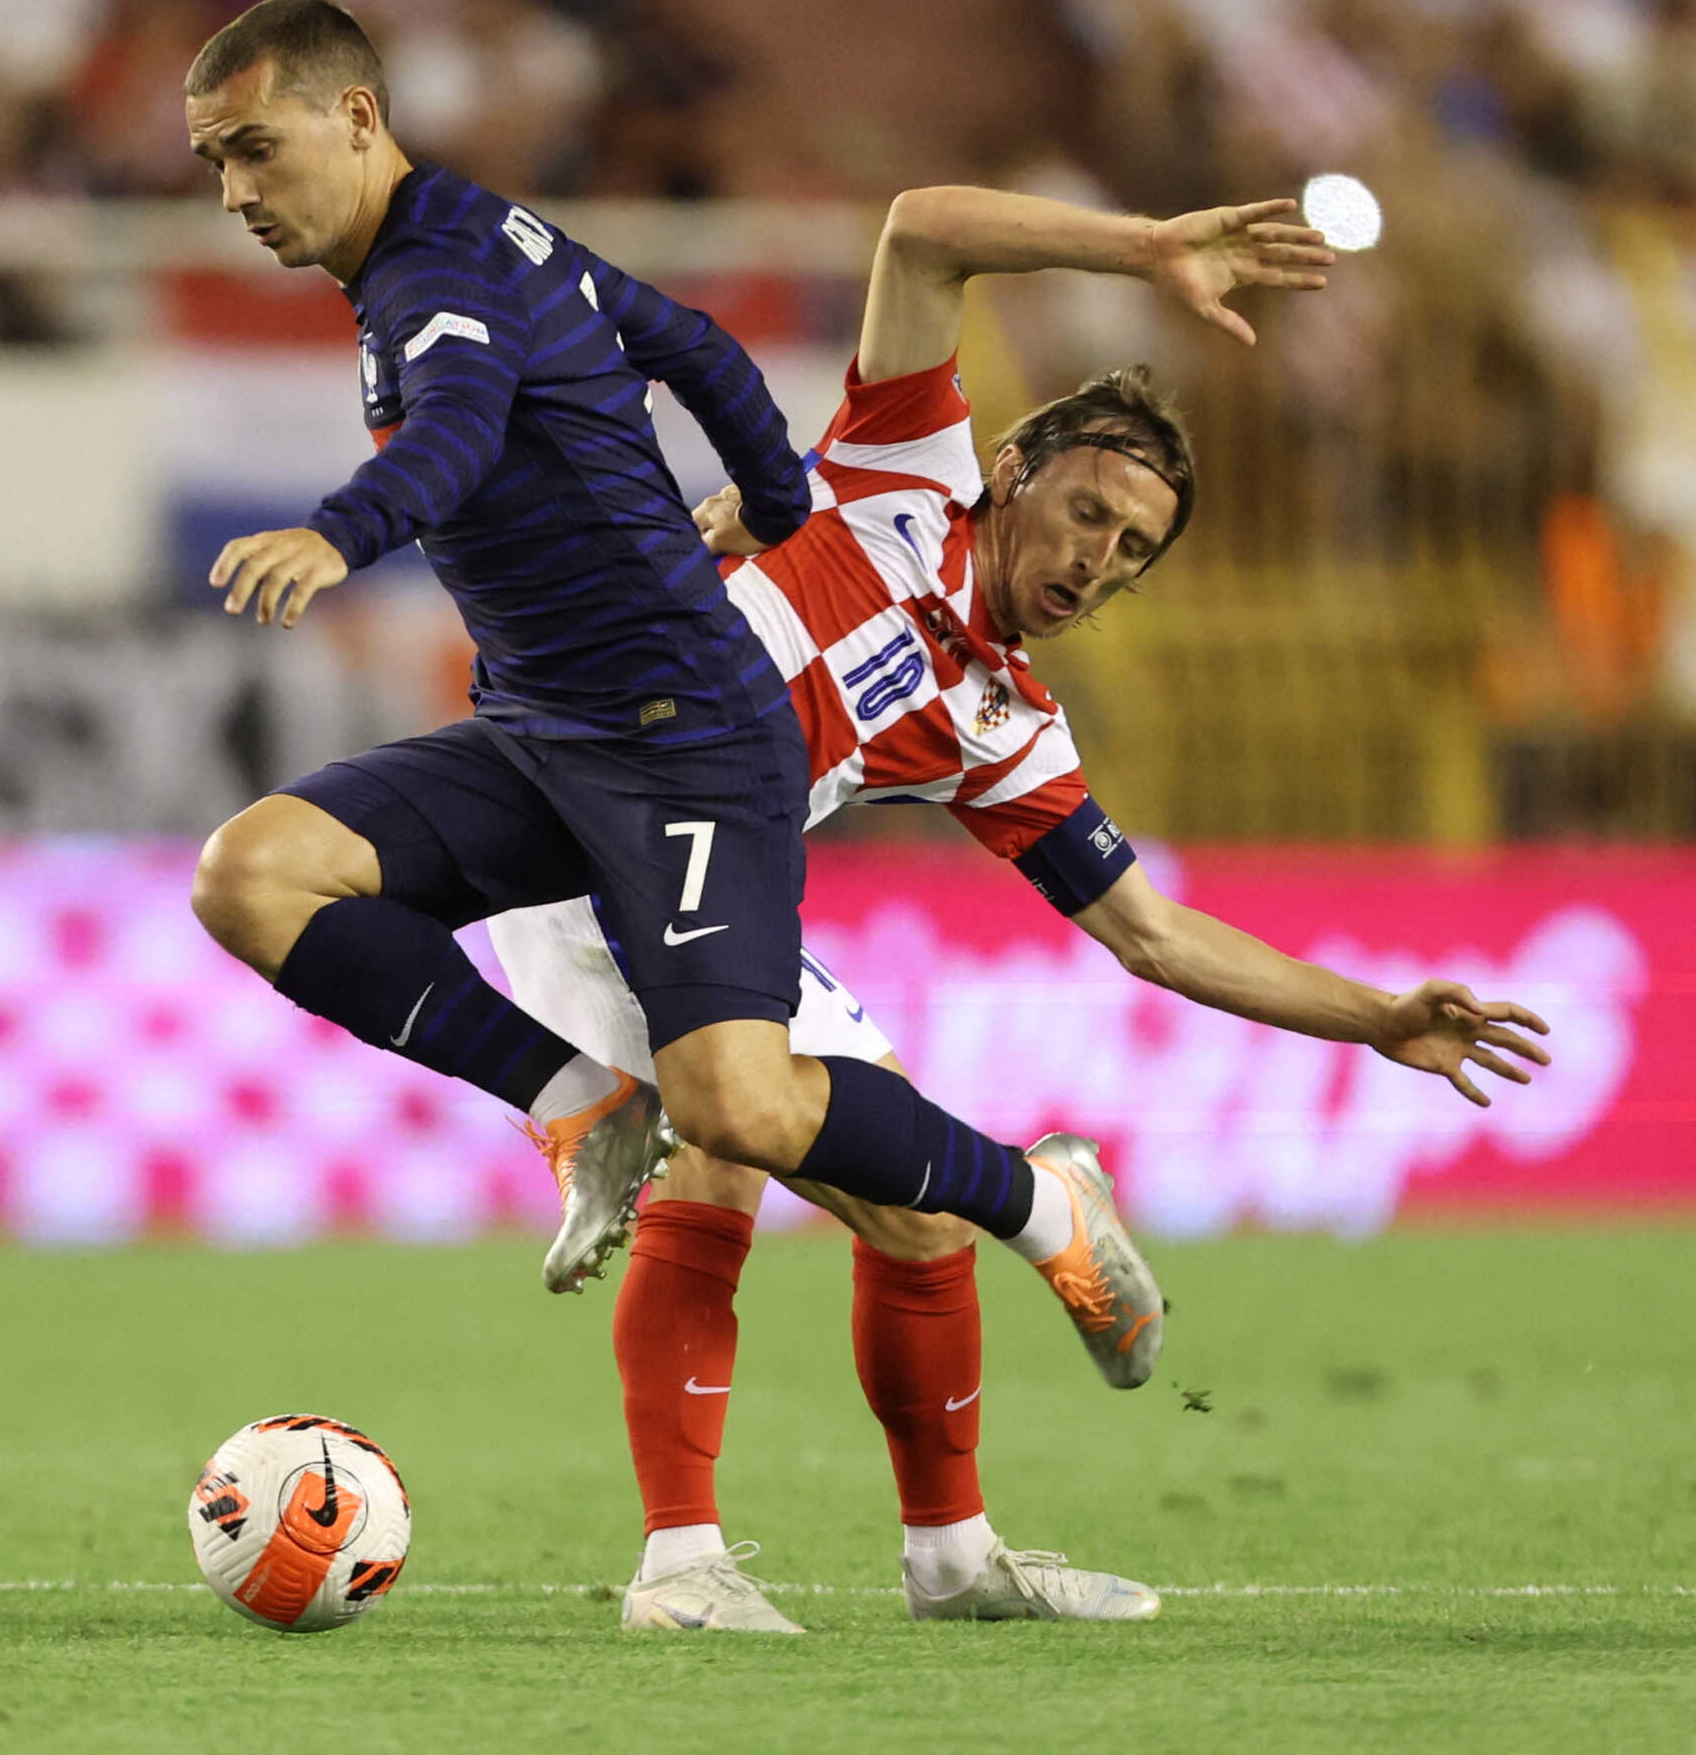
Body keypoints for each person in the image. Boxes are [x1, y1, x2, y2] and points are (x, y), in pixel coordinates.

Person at [484, 181, 1556, 1632]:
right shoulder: (897, 472)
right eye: (1088, 514)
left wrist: (1378, 1018)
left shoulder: (1002, 721)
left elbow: (1153, 935)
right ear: (1011, 465)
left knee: (914, 1218)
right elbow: (923, 228)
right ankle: (684, 1565)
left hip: (709, 894)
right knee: (723, 1154)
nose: (1094, 561)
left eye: (1130, 555)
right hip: (584, 851)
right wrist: (1150, 250)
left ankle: (955, 1561)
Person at [183, 0, 1169, 1368]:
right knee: (251, 873)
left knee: (742, 1110)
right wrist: (777, 500)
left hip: (683, 736)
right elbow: (695, 346)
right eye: (213, 163)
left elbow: (458, 436)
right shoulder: (482, 234)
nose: (235, 191)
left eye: (252, 148)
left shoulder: (436, 280)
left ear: (356, 117)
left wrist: (335, 532)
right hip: (549, 728)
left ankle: (1038, 1198)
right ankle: (579, 1106)